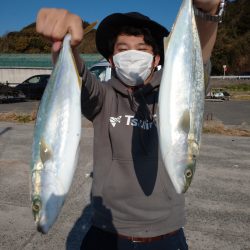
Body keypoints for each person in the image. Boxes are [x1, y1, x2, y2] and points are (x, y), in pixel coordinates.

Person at [36, 1, 223, 249]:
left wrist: (208, 12)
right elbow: (77, 77)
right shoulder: (103, 98)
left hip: (166, 235)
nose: (132, 56)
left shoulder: (174, 95)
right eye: (123, 49)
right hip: (107, 232)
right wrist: (64, 44)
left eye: (142, 49)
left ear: (157, 58)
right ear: (112, 60)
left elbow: (197, 60)